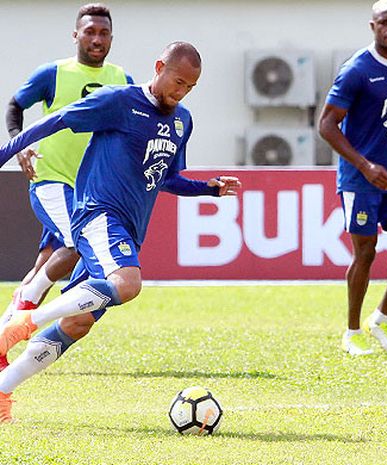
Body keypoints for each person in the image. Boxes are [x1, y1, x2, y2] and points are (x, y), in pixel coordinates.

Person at [0, 42, 241, 422]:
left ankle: (2, 390)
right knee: (127, 283)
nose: (181, 92)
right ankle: (25, 321)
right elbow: (56, 120)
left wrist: (208, 188)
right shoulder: (118, 101)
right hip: (96, 214)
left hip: (127, 230)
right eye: (177, 82)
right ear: (159, 66)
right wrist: (7, 153)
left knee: (77, 324)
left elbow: (167, 177)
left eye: (190, 88)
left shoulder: (182, 121)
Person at [0, 3, 133, 372]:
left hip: (91, 190)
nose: (96, 39)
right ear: (76, 35)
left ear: (111, 38)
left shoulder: (122, 79)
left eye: (103, 33)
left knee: (47, 262)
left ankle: (4, 335)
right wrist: (20, 143)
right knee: (75, 244)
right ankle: (28, 301)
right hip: (51, 178)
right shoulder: (54, 73)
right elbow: (15, 105)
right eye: (89, 32)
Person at [319, 0, 387, 356]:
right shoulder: (357, 70)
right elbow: (326, 125)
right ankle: (351, 332)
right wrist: (364, 165)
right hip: (360, 177)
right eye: (384, 23)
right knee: (366, 252)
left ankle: (380, 319)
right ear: (373, 27)